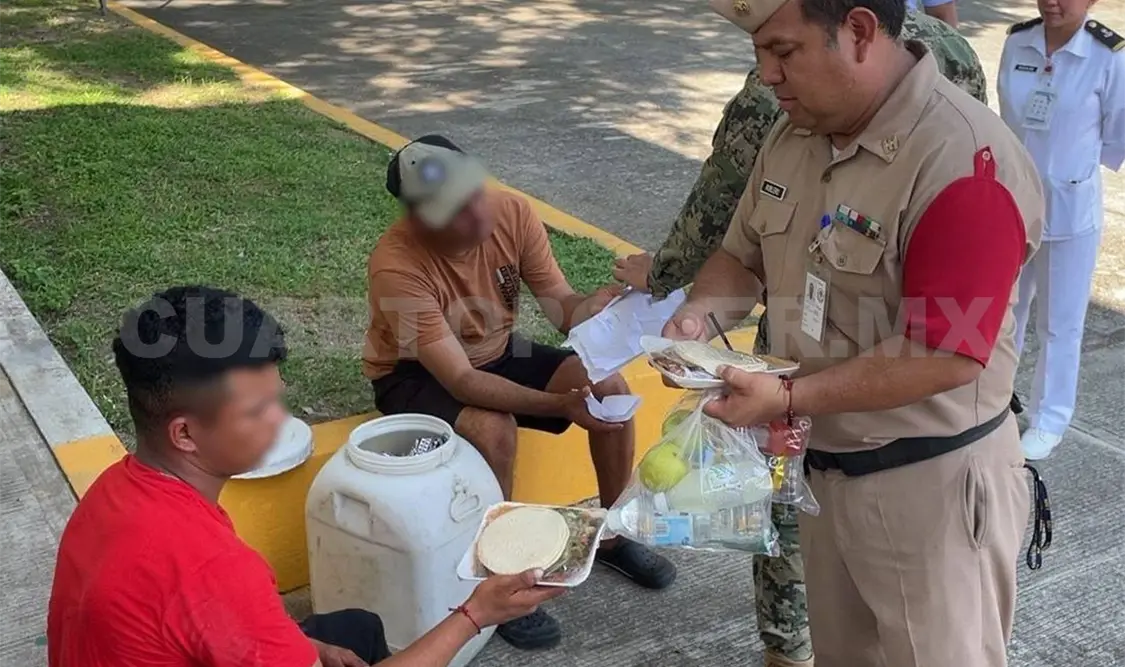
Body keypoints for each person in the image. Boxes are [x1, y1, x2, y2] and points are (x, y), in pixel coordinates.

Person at [663, 0, 1046, 663]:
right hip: (824, 475)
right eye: (759, 53)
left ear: (860, 32)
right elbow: (741, 255)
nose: (767, 75)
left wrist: (786, 398)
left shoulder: (962, 160)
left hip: (929, 489)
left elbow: (944, 352)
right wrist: (698, 317)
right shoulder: (795, 133)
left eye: (783, 52)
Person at [47, 286, 565, 667]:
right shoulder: (214, 570)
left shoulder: (113, 492)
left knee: (356, 630)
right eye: (258, 411)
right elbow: (208, 594)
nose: (281, 420)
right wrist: (476, 614)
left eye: (278, 398)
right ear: (185, 433)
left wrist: (303, 647)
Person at [363, 135, 677, 651]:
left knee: (608, 388)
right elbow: (462, 382)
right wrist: (561, 406)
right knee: (494, 429)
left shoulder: (512, 212)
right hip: (413, 374)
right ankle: (499, 577)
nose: (476, 216)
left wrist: (599, 308)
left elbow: (561, 306)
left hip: (497, 349)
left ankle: (611, 534)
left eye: (474, 194)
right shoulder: (397, 266)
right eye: (453, 210)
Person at [997, 1, 1125, 460]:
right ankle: (995, 400)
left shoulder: (1108, 56)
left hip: (1069, 208)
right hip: (1013, 205)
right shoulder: (1018, 42)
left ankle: (1049, 418)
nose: (1053, 1)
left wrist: (1070, 170)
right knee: (1003, 313)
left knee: (1059, 323)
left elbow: (1116, 135)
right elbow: (1006, 121)